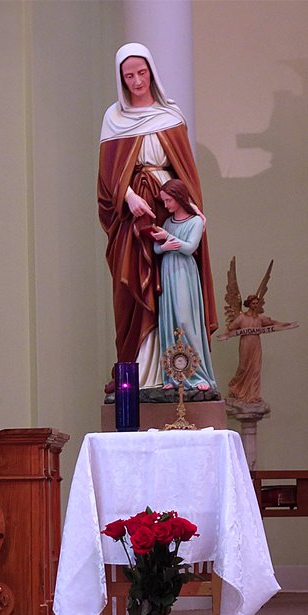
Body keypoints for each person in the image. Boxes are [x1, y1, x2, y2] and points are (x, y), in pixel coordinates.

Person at [98, 43, 216, 390]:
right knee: (133, 285)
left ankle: (178, 372)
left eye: (141, 73)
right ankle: (136, 370)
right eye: (129, 76)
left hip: (168, 206)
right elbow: (107, 176)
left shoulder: (170, 115)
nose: (137, 81)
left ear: (151, 71)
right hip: (133, 215)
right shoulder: (114, 119)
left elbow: (184, 172)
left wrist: (191, 210)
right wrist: (129, 196)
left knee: (173, 286)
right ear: (121, 79)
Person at [152, 179, 216, 391]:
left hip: (183, 273)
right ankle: (174, 377)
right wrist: (163, 246)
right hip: (168, 271)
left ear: (179, 198)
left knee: (185, 320)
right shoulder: (168, 221)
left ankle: (198, 375)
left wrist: (168, 238)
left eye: (168, 200)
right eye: (164, 201)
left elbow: (189, 248)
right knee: (169, 323)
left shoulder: (195, 221)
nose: (166, 205)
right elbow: (156, 249)